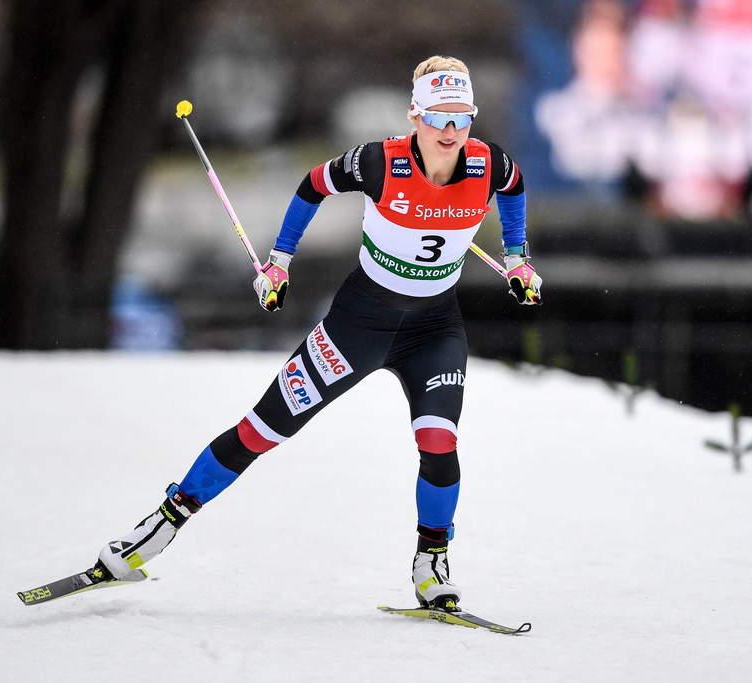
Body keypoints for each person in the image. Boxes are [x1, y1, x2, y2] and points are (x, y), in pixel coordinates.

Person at [93, 55, 542, 609]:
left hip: (434, 329)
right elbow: (312, 186)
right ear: (415, 117)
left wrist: (517, 258)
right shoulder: (379, 163)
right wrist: (279, 261)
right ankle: (158, 528)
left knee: (439, 440)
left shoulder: (490, 165)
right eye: (437, 117)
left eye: (461, 117)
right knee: (264, 429)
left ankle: (432, 562)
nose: (450, 131)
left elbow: (515, 189)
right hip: (360, 322)